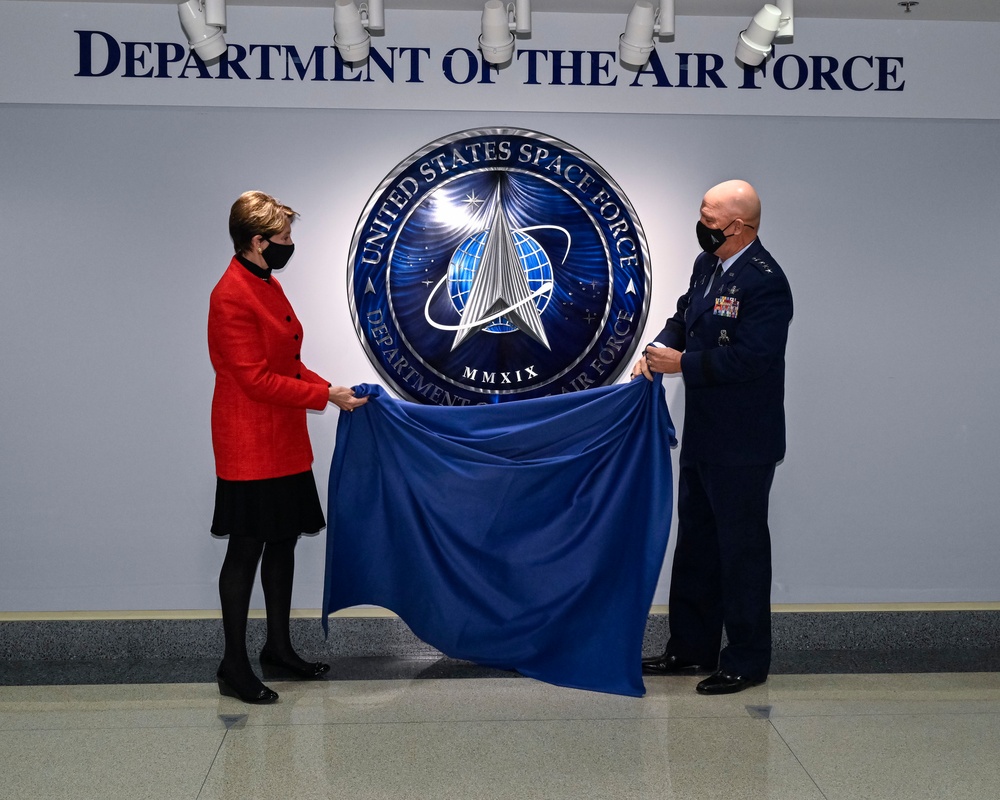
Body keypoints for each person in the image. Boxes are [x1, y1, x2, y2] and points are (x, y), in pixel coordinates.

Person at [632, 179, 792, 695]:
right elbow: (684, 316)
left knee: (740, 550)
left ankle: (746, 659)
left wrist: (684, 364)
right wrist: (658, 350)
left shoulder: (766, 282)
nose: (701, 225)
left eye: (710, 217)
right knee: (697, 543)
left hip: (744, 442)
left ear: (740, 226)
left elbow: (753, 359)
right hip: (704, 434)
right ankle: (690, 647)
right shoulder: (710, 266)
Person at [208, 190, 367, 704]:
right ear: (257, 242)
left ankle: (278, 648)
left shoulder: (266, 283)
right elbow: (254, 379)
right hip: (250, 443)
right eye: (284, 238)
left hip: (283, 441)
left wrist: (333, 389)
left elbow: (289, 365)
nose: (289, 245)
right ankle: (233, 664)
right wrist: (324, 394)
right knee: (245, 550)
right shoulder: (231, 293)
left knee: (283, 543)